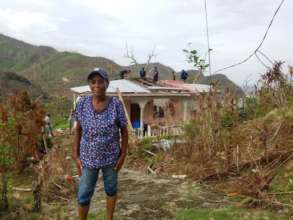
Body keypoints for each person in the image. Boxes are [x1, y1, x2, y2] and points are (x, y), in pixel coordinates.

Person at [73, 68, 128, 220]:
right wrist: (76, 156)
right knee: (84, 194)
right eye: (93, 82)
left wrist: (123, 155)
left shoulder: (116, 104)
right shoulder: (82, 103)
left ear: (106, 84)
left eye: (100, 81)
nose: (96, 85)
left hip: (111, 159)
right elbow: (78, 131)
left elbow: (124, 130)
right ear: (89, 85)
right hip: (88, 159)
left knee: (111, 189)